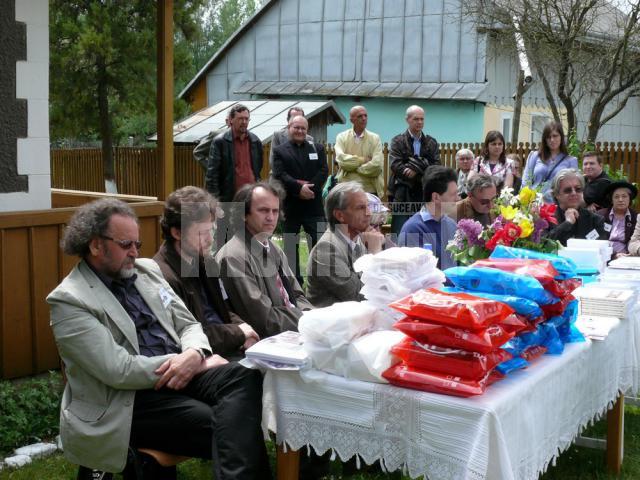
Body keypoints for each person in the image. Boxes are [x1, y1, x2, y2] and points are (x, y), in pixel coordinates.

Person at [47, 198, 269, 480]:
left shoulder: (145, 271)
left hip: (179, 375)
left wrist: (194, 353)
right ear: (95, 245)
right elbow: (118, 370)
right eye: (126, 245)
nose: (134, 253)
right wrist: (186, 363)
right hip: (128, 398)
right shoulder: (70, 300)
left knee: (243, 377)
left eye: (137, 245)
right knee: (230, 422)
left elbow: (188, 324)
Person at [153, 186, 260, 360]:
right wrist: (238, 333)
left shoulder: (205, 260)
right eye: (202, 233)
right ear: (177, 233)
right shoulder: (163, 277)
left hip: (228, 346)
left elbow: (224, 309)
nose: (210, 239)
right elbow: (188, 334)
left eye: (211, 230)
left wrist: (244, 330)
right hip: (202, 359)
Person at [216, 181, 314, 339]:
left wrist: (313, 317)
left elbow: (297, 295)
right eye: (263, 210)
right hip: (267, 344)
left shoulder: (274, 248)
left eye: (275, 211)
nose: (271, 217)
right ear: (243, 214)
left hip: (295, 333)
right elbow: (264, 320)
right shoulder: (233, 257)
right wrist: (308, 319)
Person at [306, 182, 385, 308]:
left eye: (368, 206)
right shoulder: (327, 249)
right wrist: (376, 254)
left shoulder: (358, 239)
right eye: (360, 208)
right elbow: (361, 297)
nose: (369, 213)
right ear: (340, 215)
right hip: (332, 324)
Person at [272, 115, 328, 285]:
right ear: (289, 128)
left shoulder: (317, 148)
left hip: (314, 206)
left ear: (307, 130)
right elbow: (280, 174)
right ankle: (294, 283)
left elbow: (324, 170)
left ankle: (320, 280)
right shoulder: (280, 150)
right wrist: (298, 188)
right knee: (290, 247)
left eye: (303, 128)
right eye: (296, 127)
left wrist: (309, 188)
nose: (300, 131)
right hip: (292, 206)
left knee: (319, 245)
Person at [388, 105, 440, 234]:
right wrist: (422, 167)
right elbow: (395, 165)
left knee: (423, 230)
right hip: (402, 193)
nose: (420, 122)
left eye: (422, 119)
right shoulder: (397, 141)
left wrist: (415, 168)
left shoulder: (431, 142)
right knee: (399, 231)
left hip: (424, 193)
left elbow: (436, 166)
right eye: (416, 119)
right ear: (407, 120)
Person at [398, 166, 458, 269]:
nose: (458, 199)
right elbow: (415, 275)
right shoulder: (413, 229)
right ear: (436, 197)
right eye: (453, 194)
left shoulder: (451, 224)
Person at [205, 103, 263, 203]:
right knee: (232, 219)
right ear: (231, 120)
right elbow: (212, 176)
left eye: (246, 119)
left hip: (251, 197)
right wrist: (214, 201)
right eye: (240, 118)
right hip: (229, 198)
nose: (244, 122)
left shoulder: (255, 141)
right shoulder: (220, 142)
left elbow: (258, 168)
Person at [334, 105, 384, 198]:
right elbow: (341, 160)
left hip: (370, 189)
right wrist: (363, 160)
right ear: (352, 120)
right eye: (360, 116)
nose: (364, 118)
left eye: (365, 115)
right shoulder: (341, 137)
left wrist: (353, 168)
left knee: (369, 213)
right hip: (346, 188)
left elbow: (377, 165)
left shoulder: (375, 138)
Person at [548, 168, 607, 246]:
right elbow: (543, 246)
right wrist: (567, 223)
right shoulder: (546, 219)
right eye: (568, 190)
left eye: (578, 189)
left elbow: (601, 250)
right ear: (556, 194)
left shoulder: (596, 220)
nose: (574, 193)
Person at [522, 121, 578, 202]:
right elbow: (526, 180)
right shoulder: (535, 156)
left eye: (555, 136)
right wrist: (527, 199)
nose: (552, 140)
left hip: (557, 205)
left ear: (561, 137)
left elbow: (573, 186)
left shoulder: (571, 161)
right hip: (533, 203)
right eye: (548, 137)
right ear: (544, 139)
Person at [597, 181, 638, 258]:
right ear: (611, 200)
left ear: (630, 199)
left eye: (624, 196)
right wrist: (614, 254)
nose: (620, 200)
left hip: (627, 258)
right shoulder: (600, 215)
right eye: (616, 197)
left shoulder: (635, 218)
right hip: (603, 256)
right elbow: (594, 239)